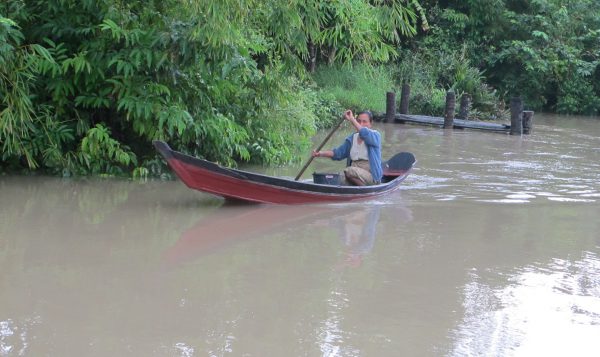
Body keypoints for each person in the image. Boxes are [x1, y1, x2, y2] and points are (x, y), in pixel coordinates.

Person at [312, 110, 382, 185]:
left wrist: (352, 119)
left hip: (371, 175)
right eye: (359, 121)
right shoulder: (352, 138)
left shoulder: (375, 136)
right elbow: (338, 153)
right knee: (337, 179)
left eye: (364, 121)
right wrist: (320, 153)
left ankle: (365, 190)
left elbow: (364, 133)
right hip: (353, 173)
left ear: (370, 124)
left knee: (349, 171)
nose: (361, 124)